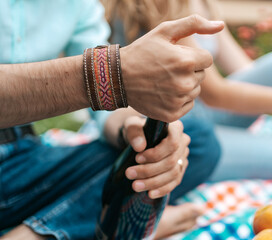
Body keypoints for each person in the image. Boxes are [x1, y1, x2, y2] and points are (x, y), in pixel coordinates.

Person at [0, 0, 223, 239]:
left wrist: (131, 130)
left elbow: (106, 107)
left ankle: (109, 225)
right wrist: (107, 73)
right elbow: (106, 80)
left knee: (192, 138)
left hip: (21, 161)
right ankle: (116, 228)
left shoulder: (80, 4)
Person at [108, 0, 272, 189]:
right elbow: (215, 94)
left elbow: (247, 72)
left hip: (200, 117)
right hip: (171, 134)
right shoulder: (161, 3)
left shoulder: (199, 2)